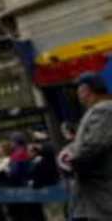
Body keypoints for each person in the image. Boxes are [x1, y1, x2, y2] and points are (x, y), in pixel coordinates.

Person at [57, 71, 112, 221]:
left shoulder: (103, 110)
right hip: (95, 196)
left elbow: (92, 146)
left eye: (79, 89)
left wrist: (69, 159)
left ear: (86, 90)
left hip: (102, 193)